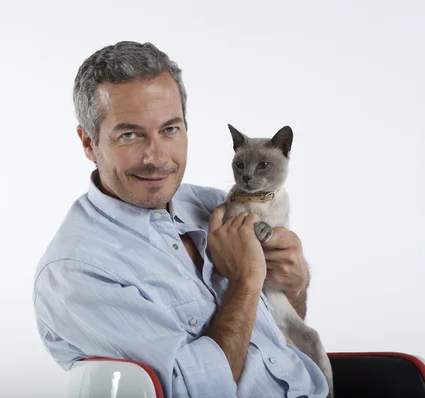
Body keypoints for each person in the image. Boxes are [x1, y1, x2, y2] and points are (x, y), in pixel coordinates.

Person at [33, 41, 329, 397]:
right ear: (88, 143)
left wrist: (294, 285)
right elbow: (198, 389)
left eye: (170, 129)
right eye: (130, 134)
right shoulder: (75, 272)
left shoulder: (213, 205)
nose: (156, 156)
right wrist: (246, 281)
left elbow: (281, 329)